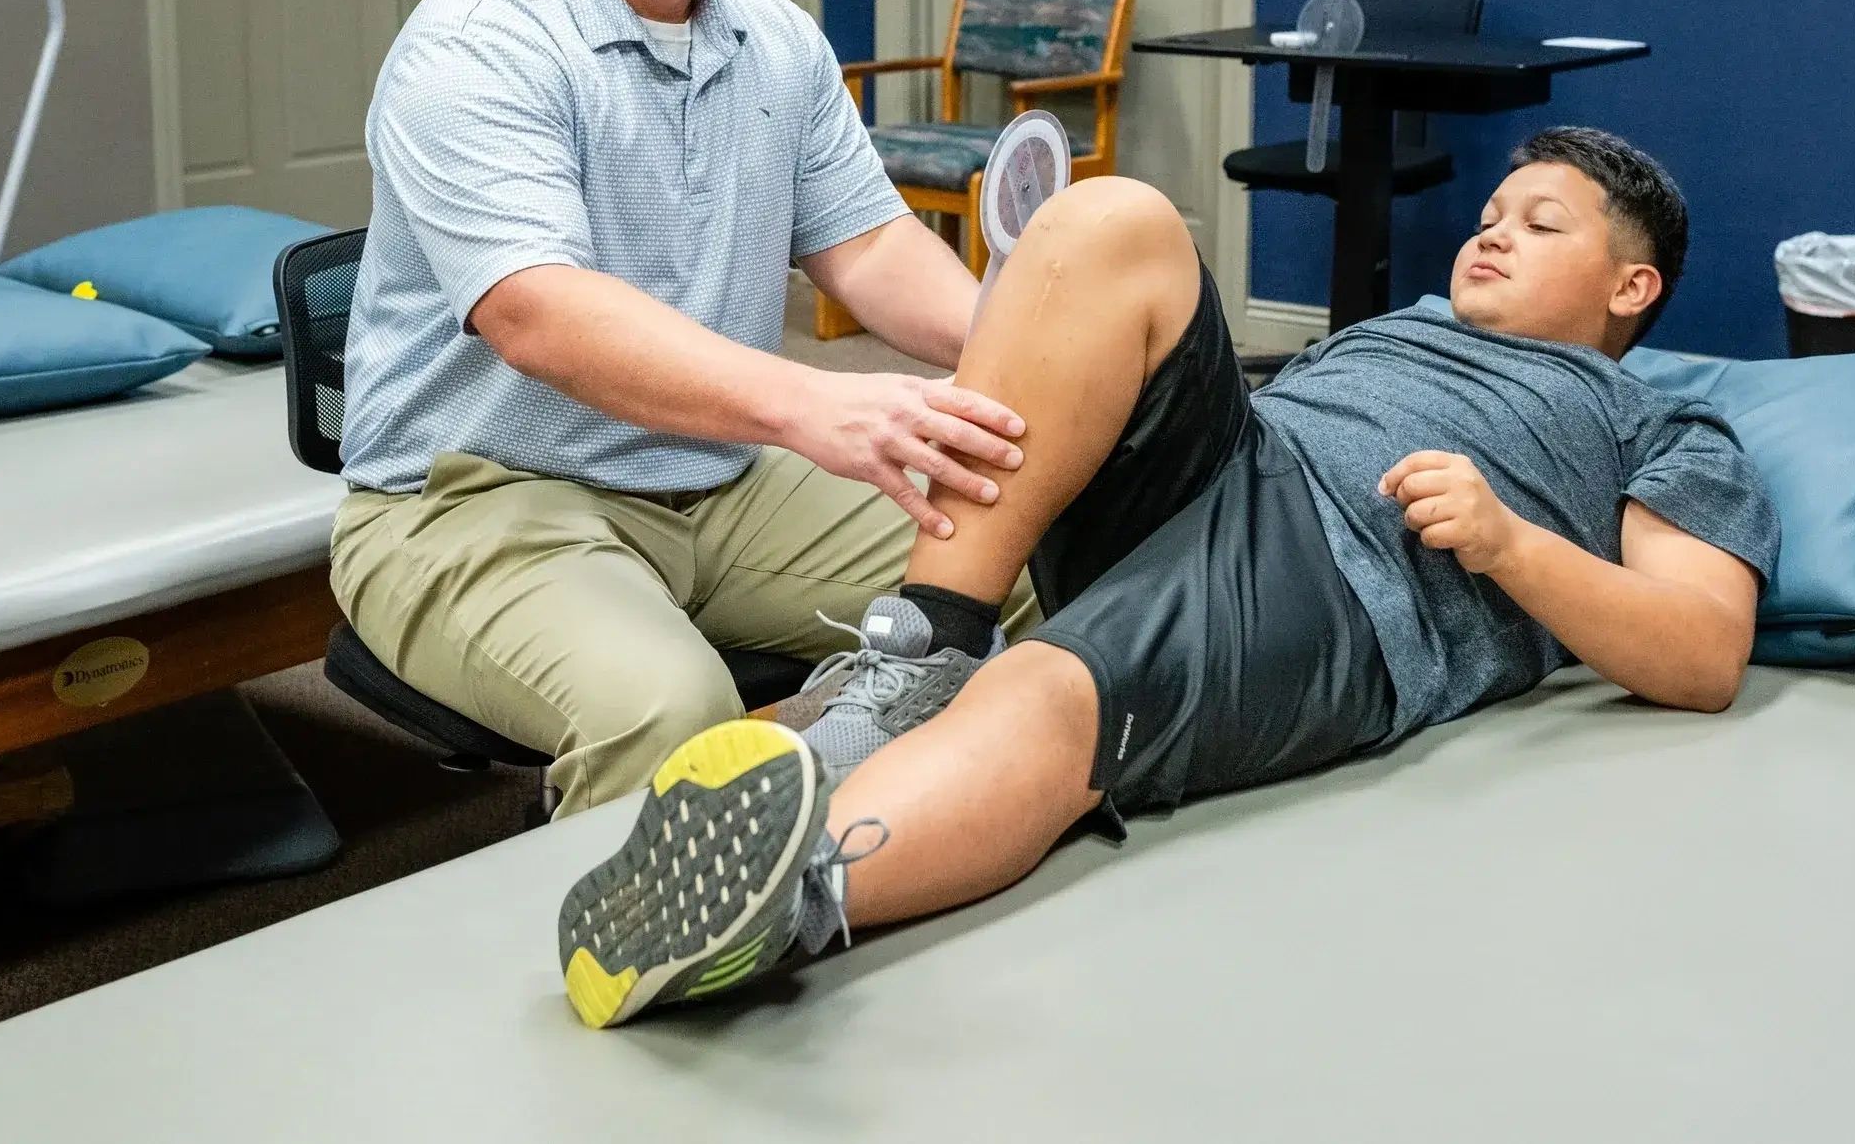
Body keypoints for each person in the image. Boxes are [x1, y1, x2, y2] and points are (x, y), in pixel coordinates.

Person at [554, 127, 1783, 1027]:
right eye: (1490, 213)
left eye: (1539, 223)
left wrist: (1514, 543)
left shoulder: (1657, 423)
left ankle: (782, 899)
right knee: (1113, 219)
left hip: (1349, 581)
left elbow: (1702, 651)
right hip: (1247, 462)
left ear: (1632, 288)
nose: (1491, 231)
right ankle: (918, 652)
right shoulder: (1395, 324)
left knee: (1045, 688)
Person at [332, 0, 1029, 818]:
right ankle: (626, 981)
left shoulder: (776, 39)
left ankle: (920, 856)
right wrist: (813, 406)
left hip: (716, 480)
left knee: (1033, 553)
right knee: (666, 715)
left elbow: (870, 247)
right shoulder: (480, 45)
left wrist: (1028, 341)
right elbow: (539, 312)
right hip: (476, 499)